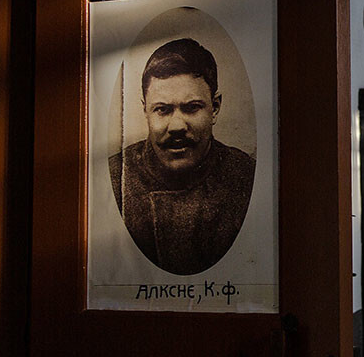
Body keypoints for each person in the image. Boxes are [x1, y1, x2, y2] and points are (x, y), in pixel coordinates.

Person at [110, 37, 256, 275]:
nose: (177, 125)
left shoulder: (245, 176)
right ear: (145, 111)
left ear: (215, 107)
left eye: (192, 107)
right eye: (162, 110)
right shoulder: (116, 176)